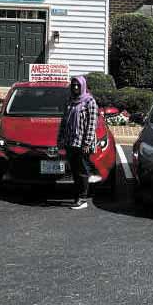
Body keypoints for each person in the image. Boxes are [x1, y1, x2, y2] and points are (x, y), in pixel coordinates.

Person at [57, 75, 98, 210]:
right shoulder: (69, 101)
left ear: (83, 86)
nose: (75, 87)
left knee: (82, 171)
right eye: (73, 85)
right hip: (70, 142)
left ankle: (83, 198)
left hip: (82, 144)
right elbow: (64, 122)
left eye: (78, 85)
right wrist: (60, 140)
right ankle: (77, 196)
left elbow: (91, 124)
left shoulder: (89, 101)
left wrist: (86, 143)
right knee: (74, 171)